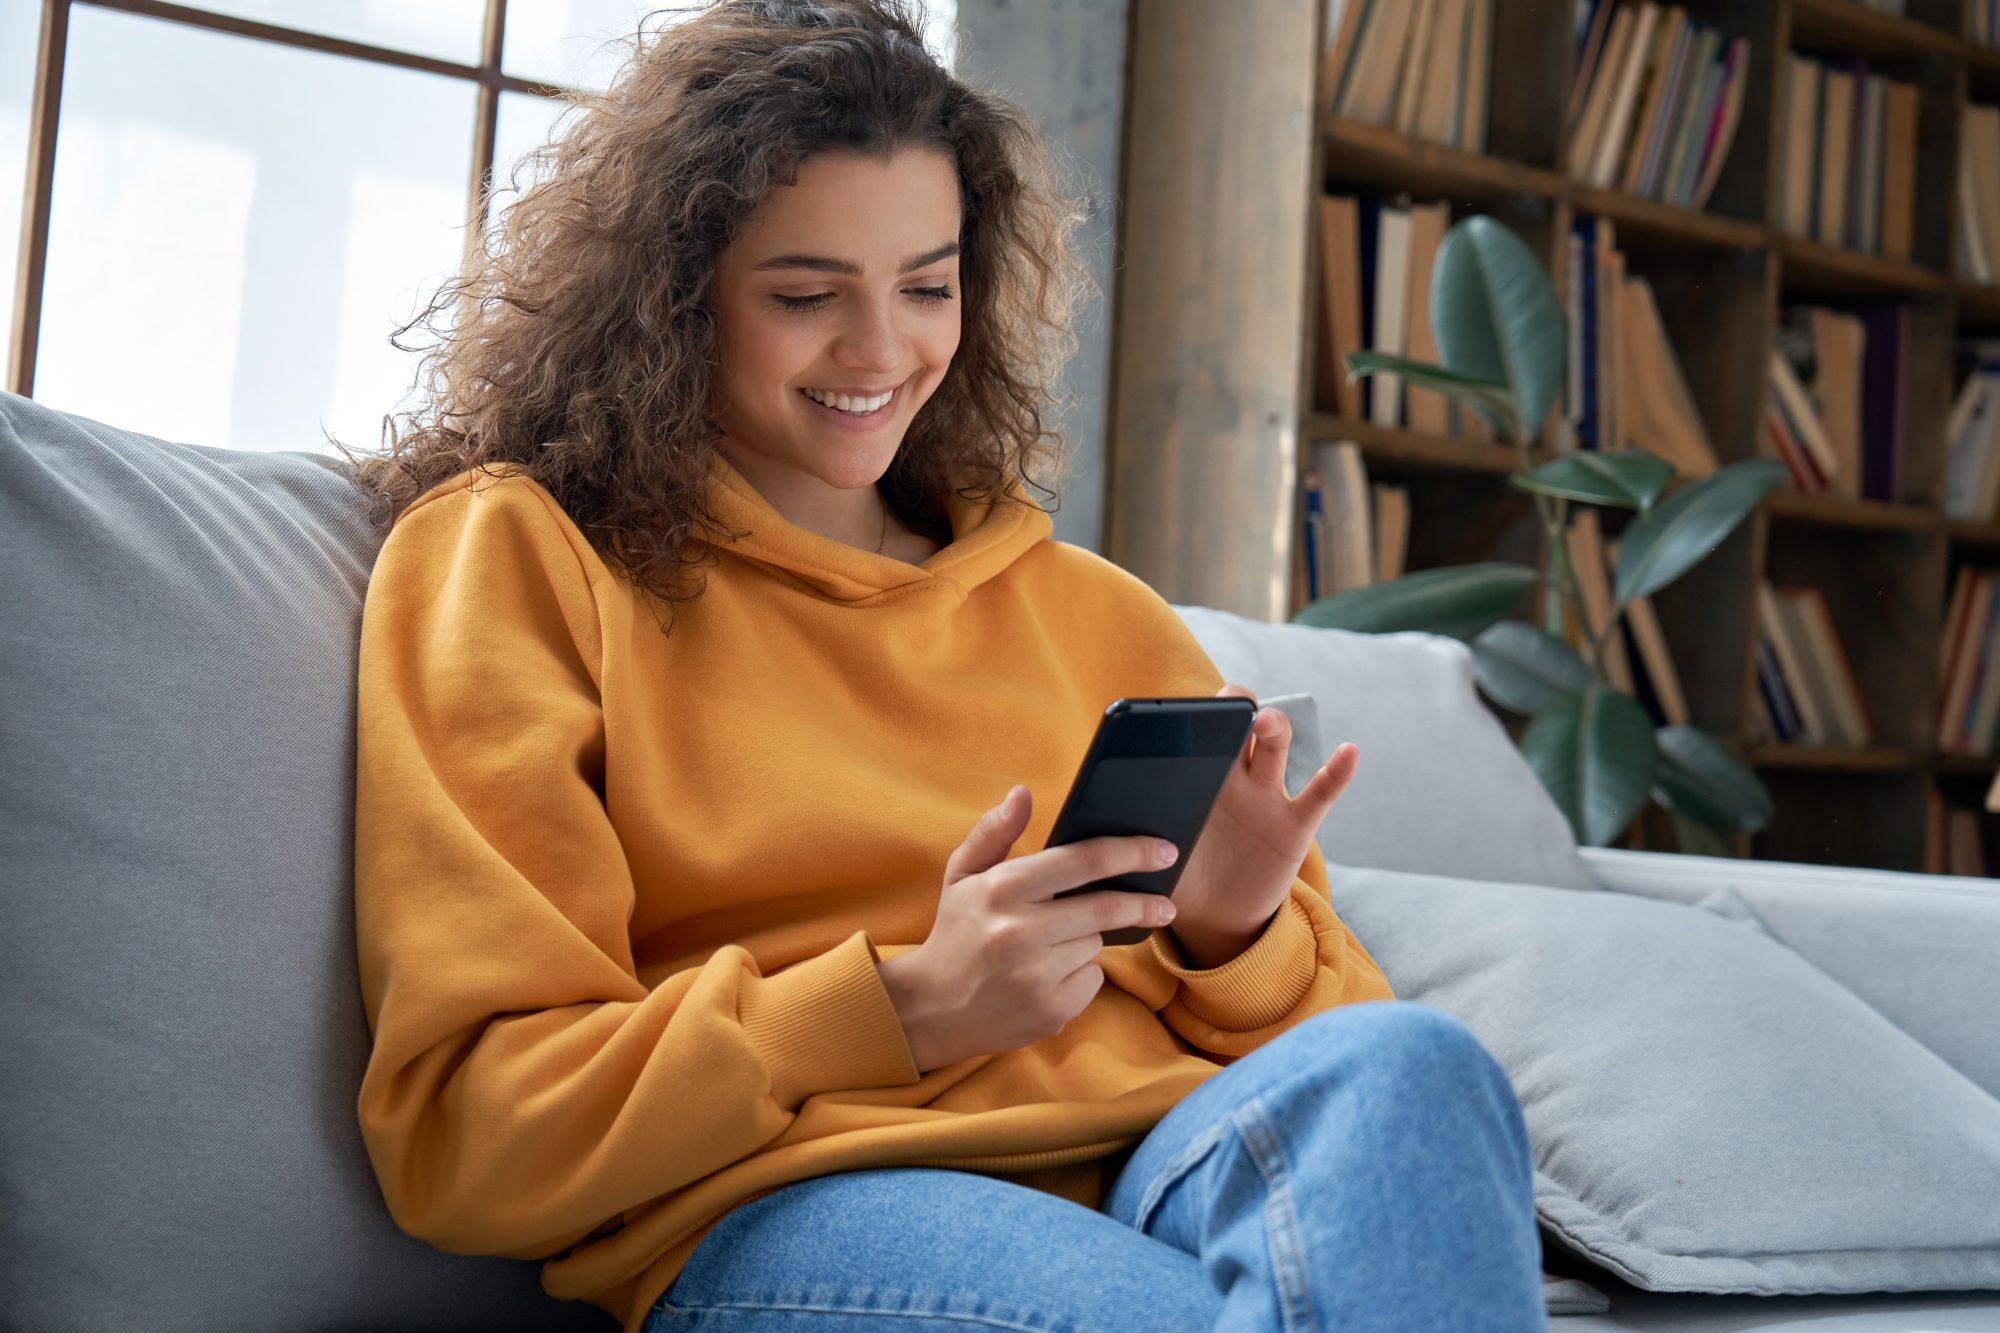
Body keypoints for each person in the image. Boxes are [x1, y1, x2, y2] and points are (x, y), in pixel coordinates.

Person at [339, 1, 1549, 1329]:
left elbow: (1329, 1079)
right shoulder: (520, 557)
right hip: (806, 1198)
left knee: (1415, 1068)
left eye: (928, 285)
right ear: (675, 299)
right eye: (806, 296)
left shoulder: (1094, 612)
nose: (881, 353)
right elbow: (468, 1132)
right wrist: (903, 1004)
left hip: (1162, 1161)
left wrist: (1231, 931)